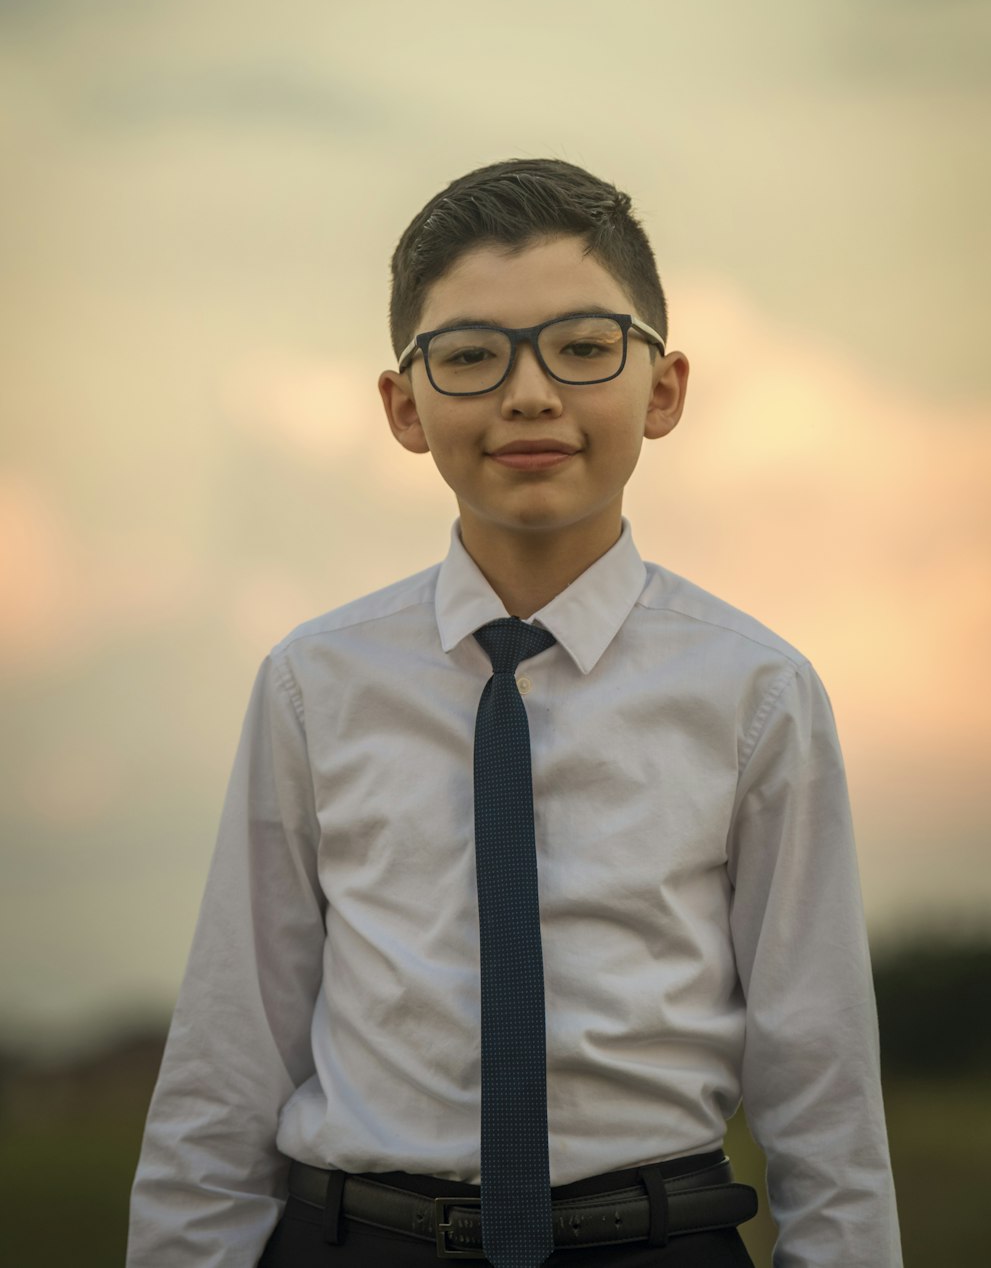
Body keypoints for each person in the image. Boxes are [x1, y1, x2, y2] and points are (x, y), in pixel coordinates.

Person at [127, 158, 902, 1268]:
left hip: (653, 1242)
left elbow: (820, 1070)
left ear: (665, 388)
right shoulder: (314, 683)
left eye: (584, 347)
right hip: (357, 1239)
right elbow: (229, 1045)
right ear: (404, 405)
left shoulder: (755, 693)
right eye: (471, 356)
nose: (528, 394)